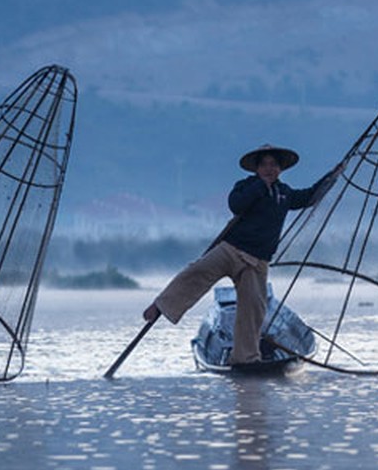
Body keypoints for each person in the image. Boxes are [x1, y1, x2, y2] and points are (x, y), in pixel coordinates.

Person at [143, 144, 343, 366]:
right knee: (195, 273)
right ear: (257, 169)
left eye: (274, 165)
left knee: (253, 310)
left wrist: (332, 177)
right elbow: (236, 205)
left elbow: (308, 198)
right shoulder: (246, 186)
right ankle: (161, 305)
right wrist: (260, 186)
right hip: (231, 250)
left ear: (280, 169)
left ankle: (245, 358)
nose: (270, 169)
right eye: (265, 165)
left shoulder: (284, 193)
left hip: (257, 262)